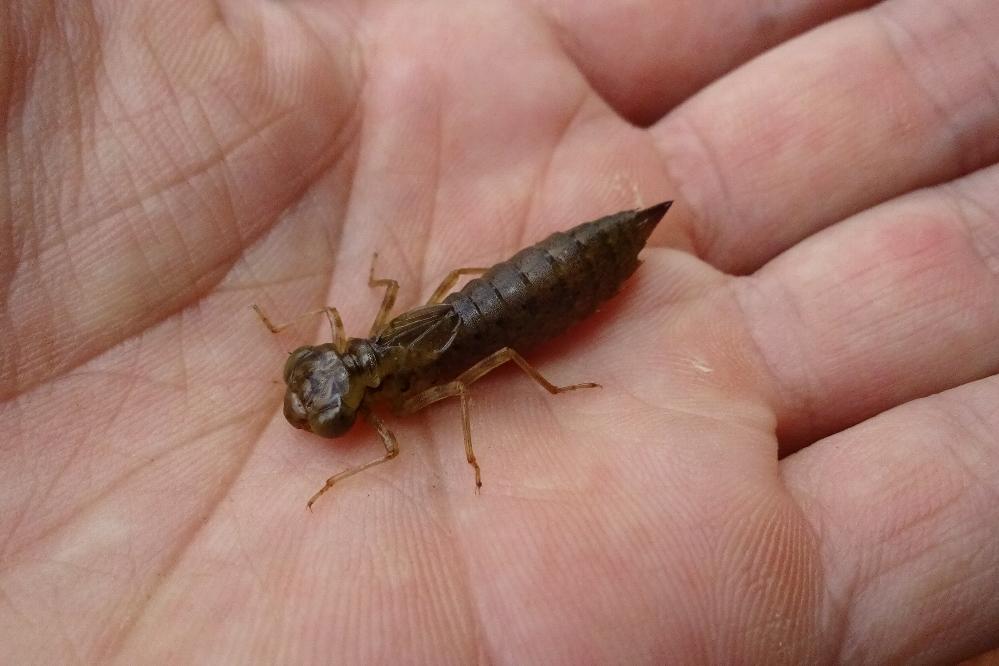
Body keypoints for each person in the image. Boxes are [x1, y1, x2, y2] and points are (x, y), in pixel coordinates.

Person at [2, 0, 997, 662]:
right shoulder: (374, 352)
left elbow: (469, 373)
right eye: (328, 392)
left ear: (356, 375)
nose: (332, 395)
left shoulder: (393, 405)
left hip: (531, 293)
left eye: (334, 395)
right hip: (516, 287)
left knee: (504, 343)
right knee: (491, 321)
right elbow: (409, 303)